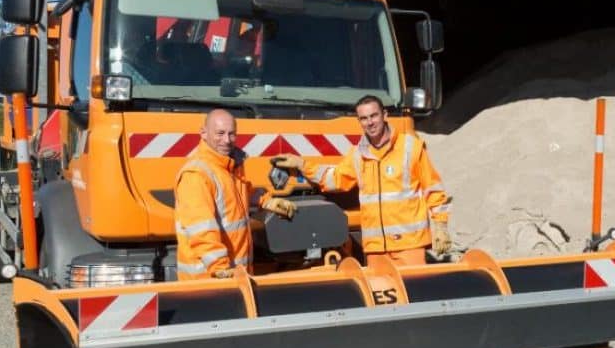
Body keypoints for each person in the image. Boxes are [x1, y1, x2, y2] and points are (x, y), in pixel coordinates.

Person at [273, 95, 451, 266]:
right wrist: (302, 165)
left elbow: (433, 189)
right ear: (359, 122)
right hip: (376, 250)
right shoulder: (357, 155)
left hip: (409, 247)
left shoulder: (411, 148)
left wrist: (441, 226)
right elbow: (334, 179)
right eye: (364, 118)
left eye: (374, 115)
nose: (370, 122)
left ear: (385, 115)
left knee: (413, 294)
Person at [174, 109, 297, 280]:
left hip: (235, 276)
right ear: (203, 133)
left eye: (232, 134)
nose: (226, 140)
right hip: (208, 281)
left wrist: (266, 201)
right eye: (220, 133)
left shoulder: (229, 166)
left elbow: (239, 195)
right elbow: (201, 231)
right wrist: (220, 269)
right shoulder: (196, 174)